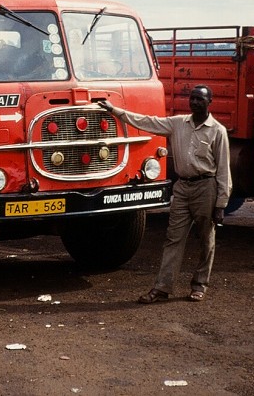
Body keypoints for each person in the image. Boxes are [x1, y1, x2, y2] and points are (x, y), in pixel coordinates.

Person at [99, 84, 231, 303]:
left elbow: (224, 170)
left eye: (200, 99)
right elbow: (147, 122)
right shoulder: (178, 123)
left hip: (206, 189)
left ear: (210, 102)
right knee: (173, 239)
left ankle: (199, 285)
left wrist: (220, 204)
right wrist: (115, 111)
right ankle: (162, 288)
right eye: (192, 98)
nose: (195, 102)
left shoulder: (218, 131)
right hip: (182, 188)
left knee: (206, 240)